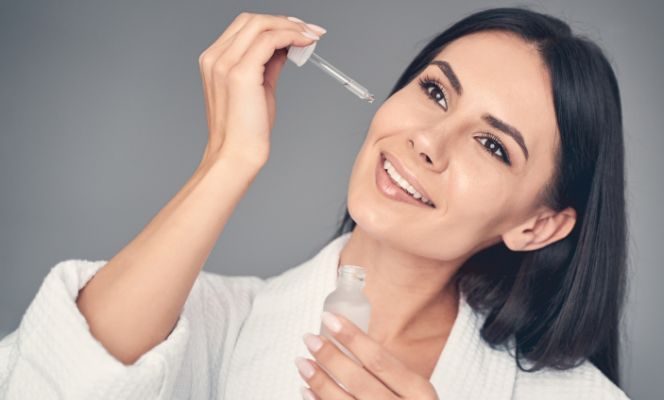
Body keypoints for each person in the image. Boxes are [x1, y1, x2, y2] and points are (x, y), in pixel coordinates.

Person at [0, 6, 629, 400]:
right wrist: (228, 159)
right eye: (435, 92)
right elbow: (44, 385)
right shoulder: (210, 326)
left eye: (492, 145)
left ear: (538, 224)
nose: (428, 142)